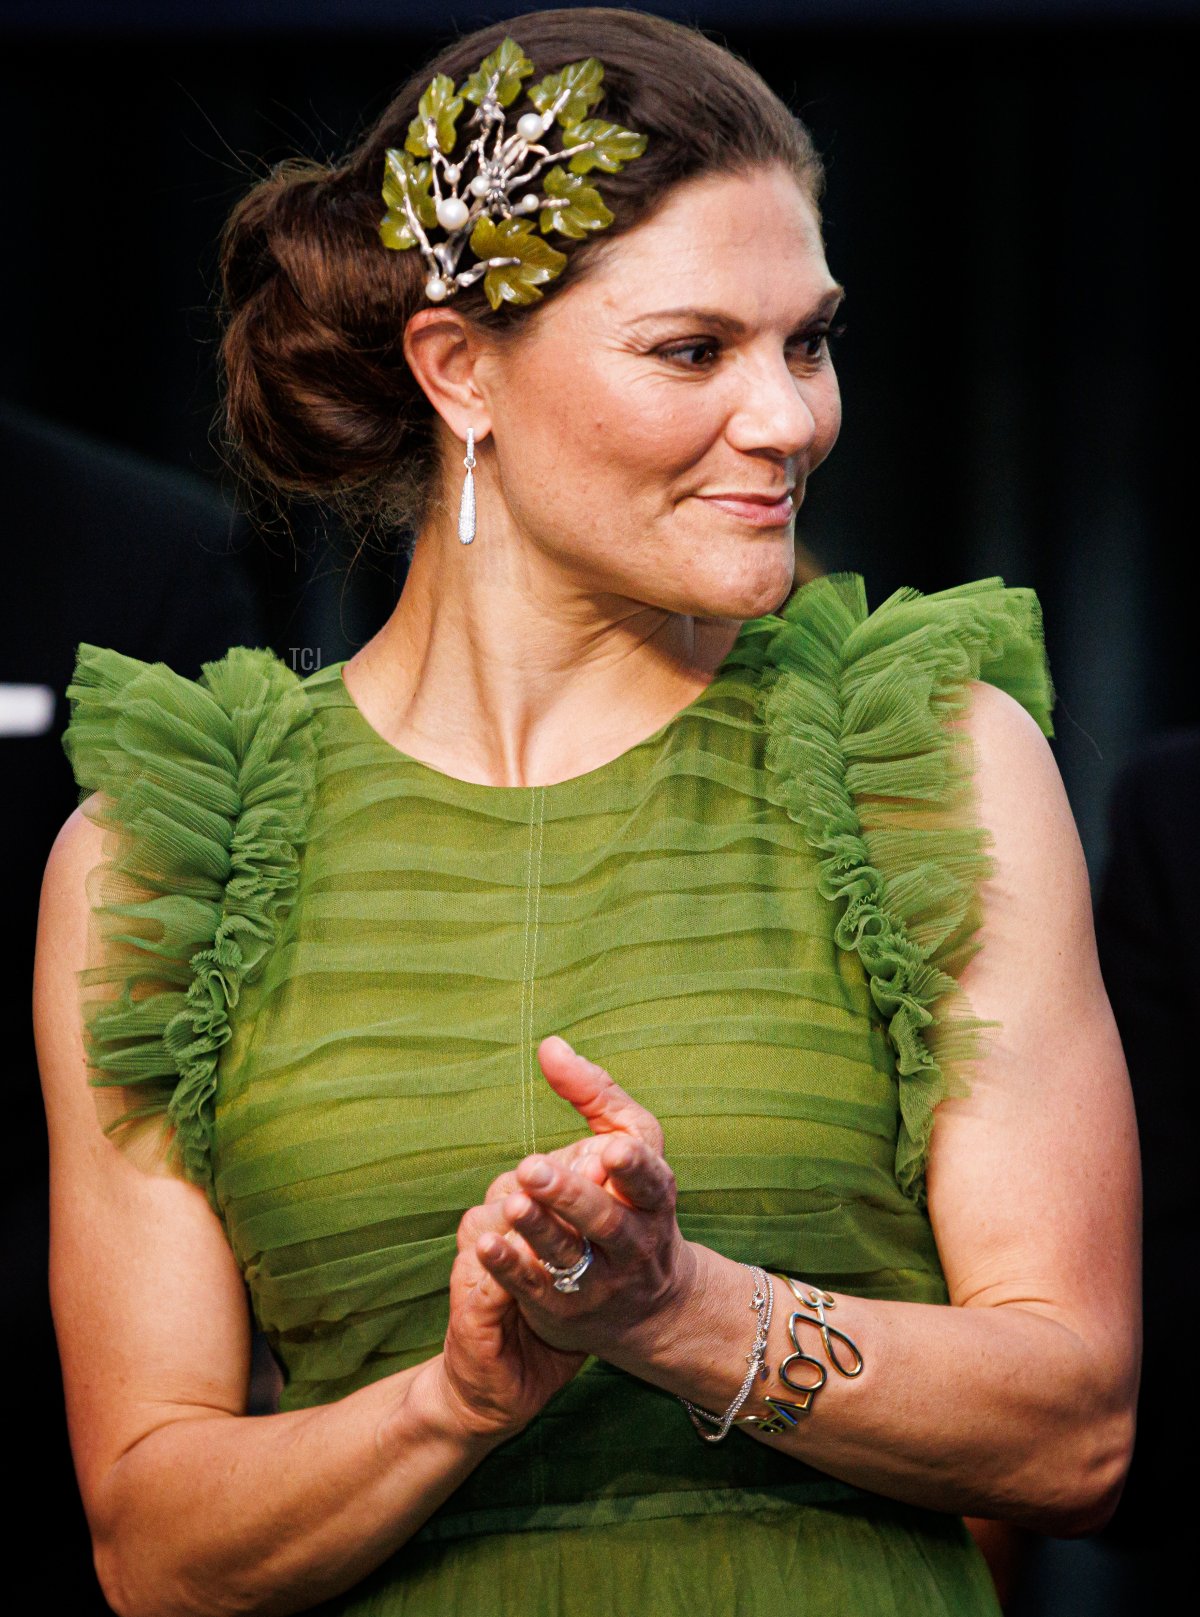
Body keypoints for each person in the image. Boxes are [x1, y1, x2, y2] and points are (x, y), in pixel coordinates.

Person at [32, 9, 1139, 1616]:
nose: (791, 419)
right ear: (458, 368)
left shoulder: (923, 759)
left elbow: (1078, 1427)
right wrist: (456, 1399)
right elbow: (150, 1541)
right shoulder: (165, 851)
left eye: (809, 341)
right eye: (695, 350)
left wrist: (676, 1310)